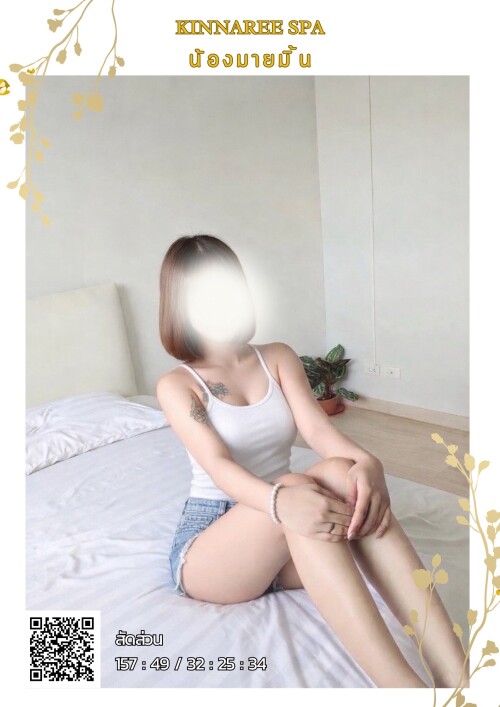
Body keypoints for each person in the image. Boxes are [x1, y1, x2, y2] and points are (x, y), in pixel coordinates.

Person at [157, 234, 468, 689]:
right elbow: (219, 466)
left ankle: (461, 678)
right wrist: (280, 500)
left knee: (343, 473)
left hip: (290, 534)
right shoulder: (177, 385)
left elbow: (319, 432)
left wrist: (369, 464)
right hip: (216, 547)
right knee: (298, 484)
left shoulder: (276, 357)